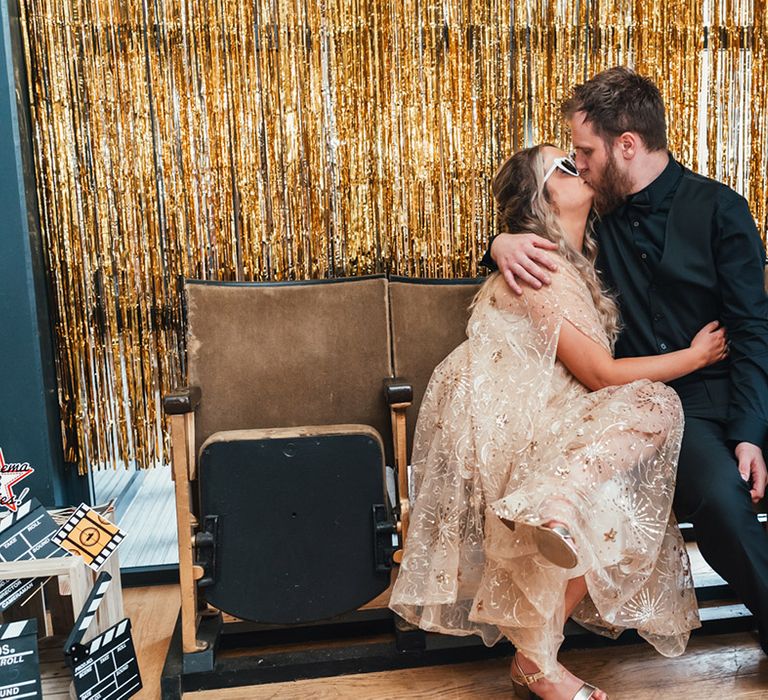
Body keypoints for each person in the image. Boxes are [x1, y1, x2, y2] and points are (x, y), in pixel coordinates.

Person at [390, 143, 726, 700]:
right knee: (657, 405)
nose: (582, 168)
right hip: (510, 423)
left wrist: (498, 241)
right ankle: (556, 524)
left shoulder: (585, 251)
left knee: (619, 491)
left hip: (557, 413)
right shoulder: (540, 262)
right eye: (565, 167)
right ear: (538, 201)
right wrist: (694, 358)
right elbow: (598, 372)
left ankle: (536, 658)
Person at [483, 67, 768, 658]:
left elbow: (753, 329)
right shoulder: (592, 218)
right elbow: (532, 228)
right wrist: (499, 243)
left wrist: (751, 433)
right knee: (720, 501)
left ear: (627, 146)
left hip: (742, 396)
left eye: (585, 152)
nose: (579, 164)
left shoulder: (721, 209)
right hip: (669, 411)